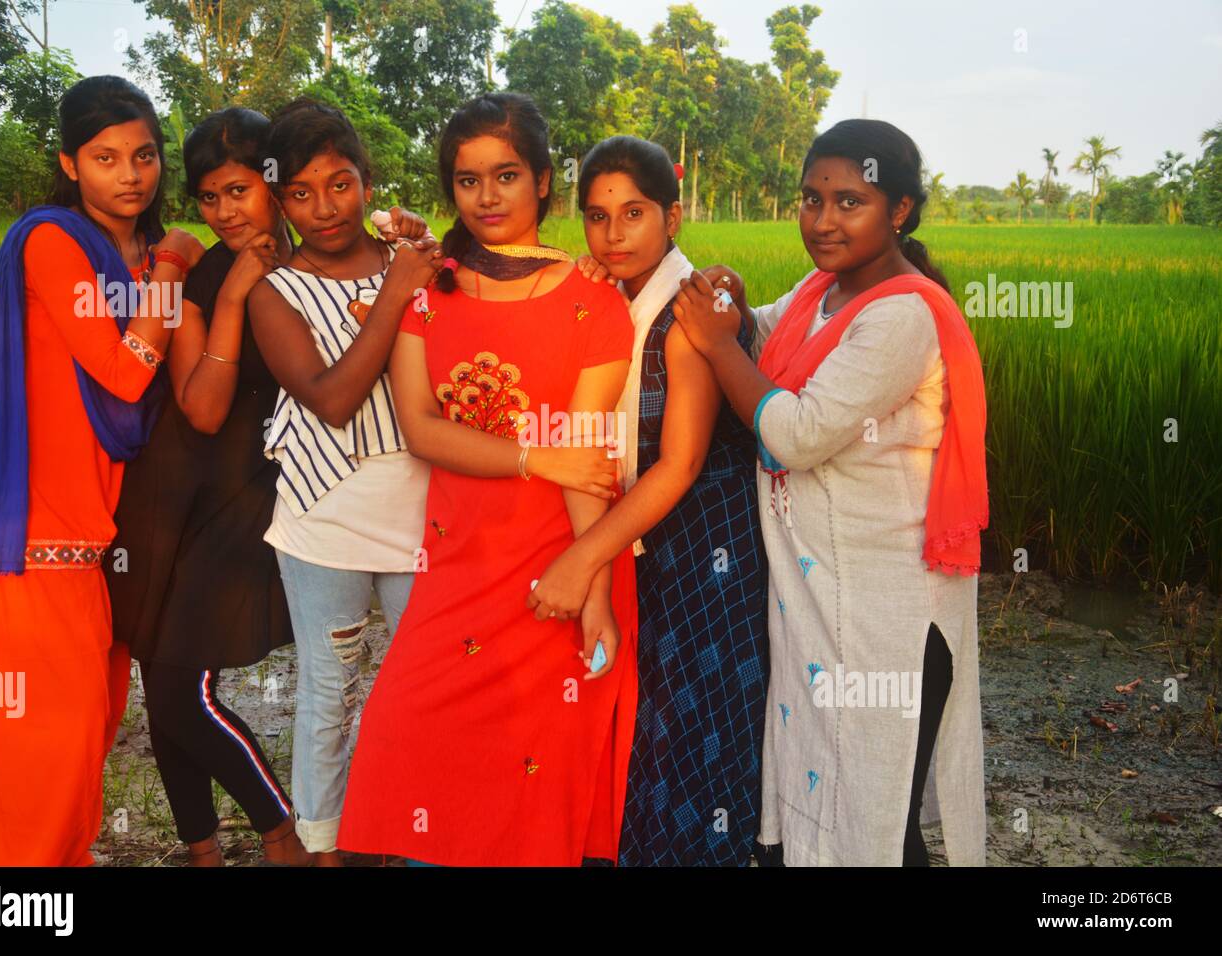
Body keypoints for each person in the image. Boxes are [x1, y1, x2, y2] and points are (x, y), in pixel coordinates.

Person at [672, 119, 988, 866]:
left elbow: (797, 433)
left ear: (901, 211)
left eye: (850, 202)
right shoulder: (822, 292)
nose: (822, 220)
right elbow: (758, 338)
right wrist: (733, 306)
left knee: (877, 819)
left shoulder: (902, 315)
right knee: (819, 796)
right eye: (811, 199)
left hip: (888, 617)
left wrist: (716, 343)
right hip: (817, 607)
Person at [335, 92, 638, 866]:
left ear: (542, 181)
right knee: (409, 736)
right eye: (468, 181)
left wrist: (593, 591)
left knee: (531, 782)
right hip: (457, 563)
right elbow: (422, 428)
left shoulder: (594, 304)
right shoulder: (426, 297)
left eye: (506, 175)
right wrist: (534, 457)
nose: (487, 197)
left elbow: (587, 456)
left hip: (553, 567)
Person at [0, 75, 203, 865]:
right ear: (69, 163)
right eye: (106, 156)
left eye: (144, 154)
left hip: (103, 536)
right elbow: (123, 375)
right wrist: (173, 272)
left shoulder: (147, 254)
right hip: (35, 533)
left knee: (89, 736)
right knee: (44, 750)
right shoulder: (52, 242)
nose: (130, 173)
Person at [538, 135, 769, 866]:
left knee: (695, 724)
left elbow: (681, 463)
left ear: (673, 217)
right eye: (597, 217)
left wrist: (582, 558)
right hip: (649, 539)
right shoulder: (610, 299)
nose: (613, 234)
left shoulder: (690, 313)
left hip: (706, 545)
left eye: (633, 214)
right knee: (649, 721)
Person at [105, 107, 310, 866]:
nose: (225, 212)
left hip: (251, 493)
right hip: (173, 491)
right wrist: (227, 296)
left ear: (276, 185)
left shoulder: (316, 258)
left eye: (240, 191)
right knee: (165, 684)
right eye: (210, 197)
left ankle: (282, 833)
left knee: (180, 686)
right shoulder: (195, 274)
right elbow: (199, 404)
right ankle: (208, 849)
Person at [245, 98, 441, 864]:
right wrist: (395, 294)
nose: (324, 207)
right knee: (332, 692)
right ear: (280, 199)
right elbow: (330, 399)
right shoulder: (274, 290)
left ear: (368, 181)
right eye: (301, 191)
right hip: (324, 517)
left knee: (421, 688)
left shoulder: (416, 258)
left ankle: (418, 838)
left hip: (421, 507)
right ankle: (327, 850)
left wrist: (415, 268)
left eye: (341, 183)